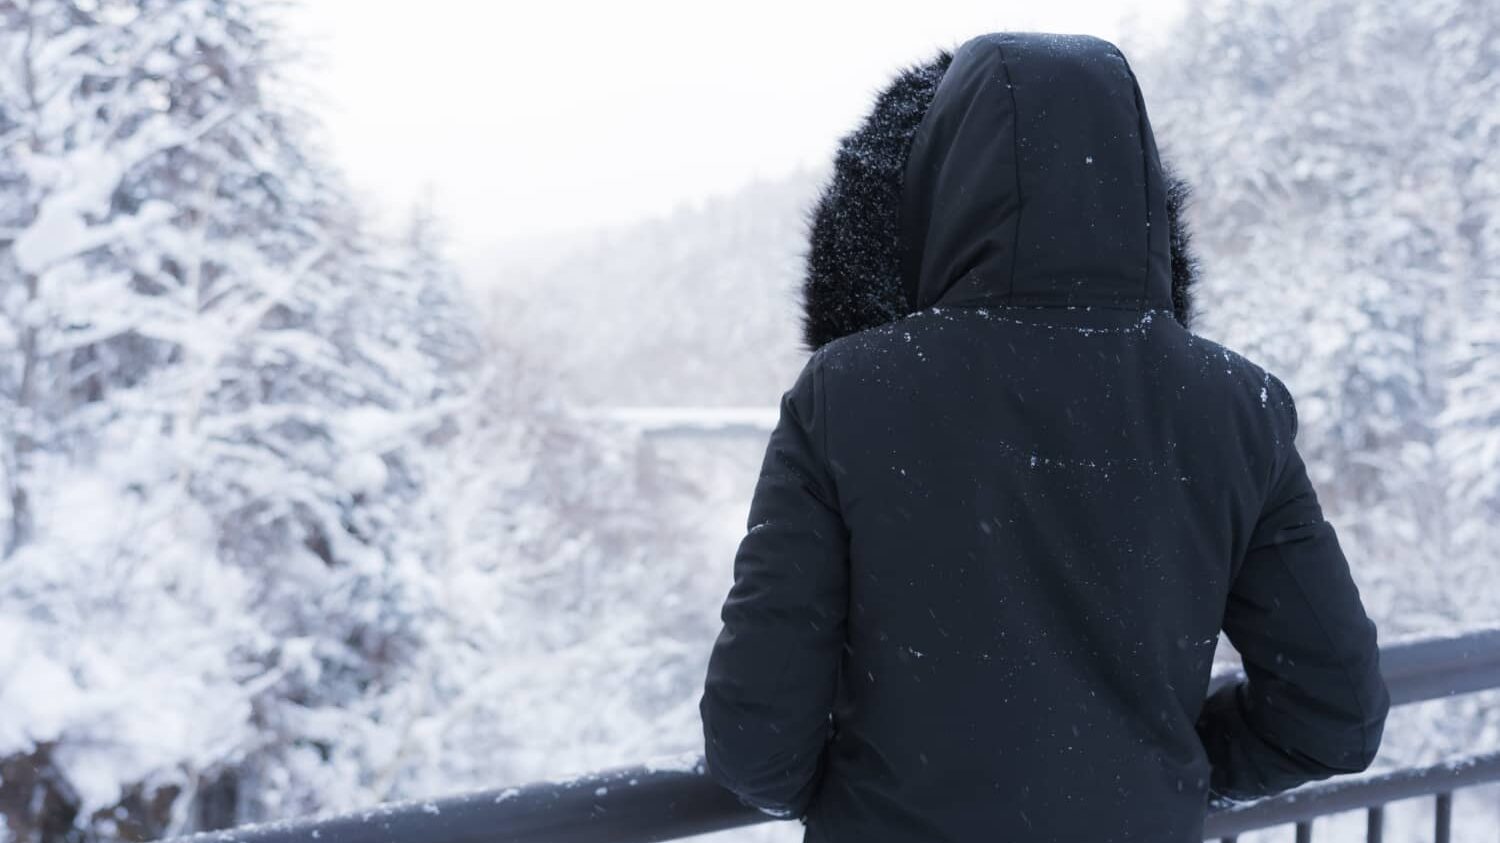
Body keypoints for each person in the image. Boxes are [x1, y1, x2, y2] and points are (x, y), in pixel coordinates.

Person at [697, 31, 1391, 842]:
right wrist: (1166, 771)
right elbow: (1335, 712)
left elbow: (755, 738)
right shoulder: (1237, 408)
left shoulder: (850, 394)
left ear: (936, 188)